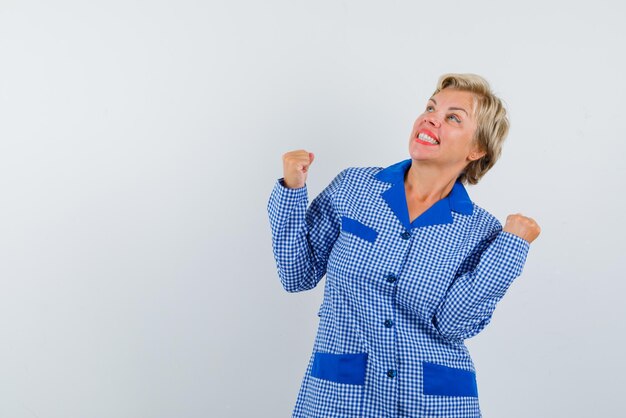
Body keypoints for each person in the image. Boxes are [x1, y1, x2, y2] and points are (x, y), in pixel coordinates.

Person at [267, 73, 540, 418]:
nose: (430, 118)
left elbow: (454, 323)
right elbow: (296, 275)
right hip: (343, 396)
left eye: (453, 117)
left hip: (433, 403)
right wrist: (292, 190)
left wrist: (512, 247)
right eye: (430, 108)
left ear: (477, 149)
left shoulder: (481, 230)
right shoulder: (353, 188)